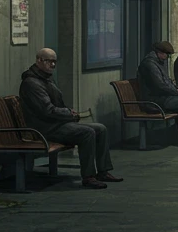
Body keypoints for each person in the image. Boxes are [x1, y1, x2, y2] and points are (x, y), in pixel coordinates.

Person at [19, 47, 121, 188]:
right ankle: (88, 176)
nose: (53, 65)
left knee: (101, 129)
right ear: (39, 60)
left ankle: (103, 171)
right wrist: (68, 113)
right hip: (44, 128)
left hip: (56, 124)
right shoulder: (32, 83)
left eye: (54, 61)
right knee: (87, 133)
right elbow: (47, 110)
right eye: (49, 61)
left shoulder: (45, 79)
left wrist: (68, 114)